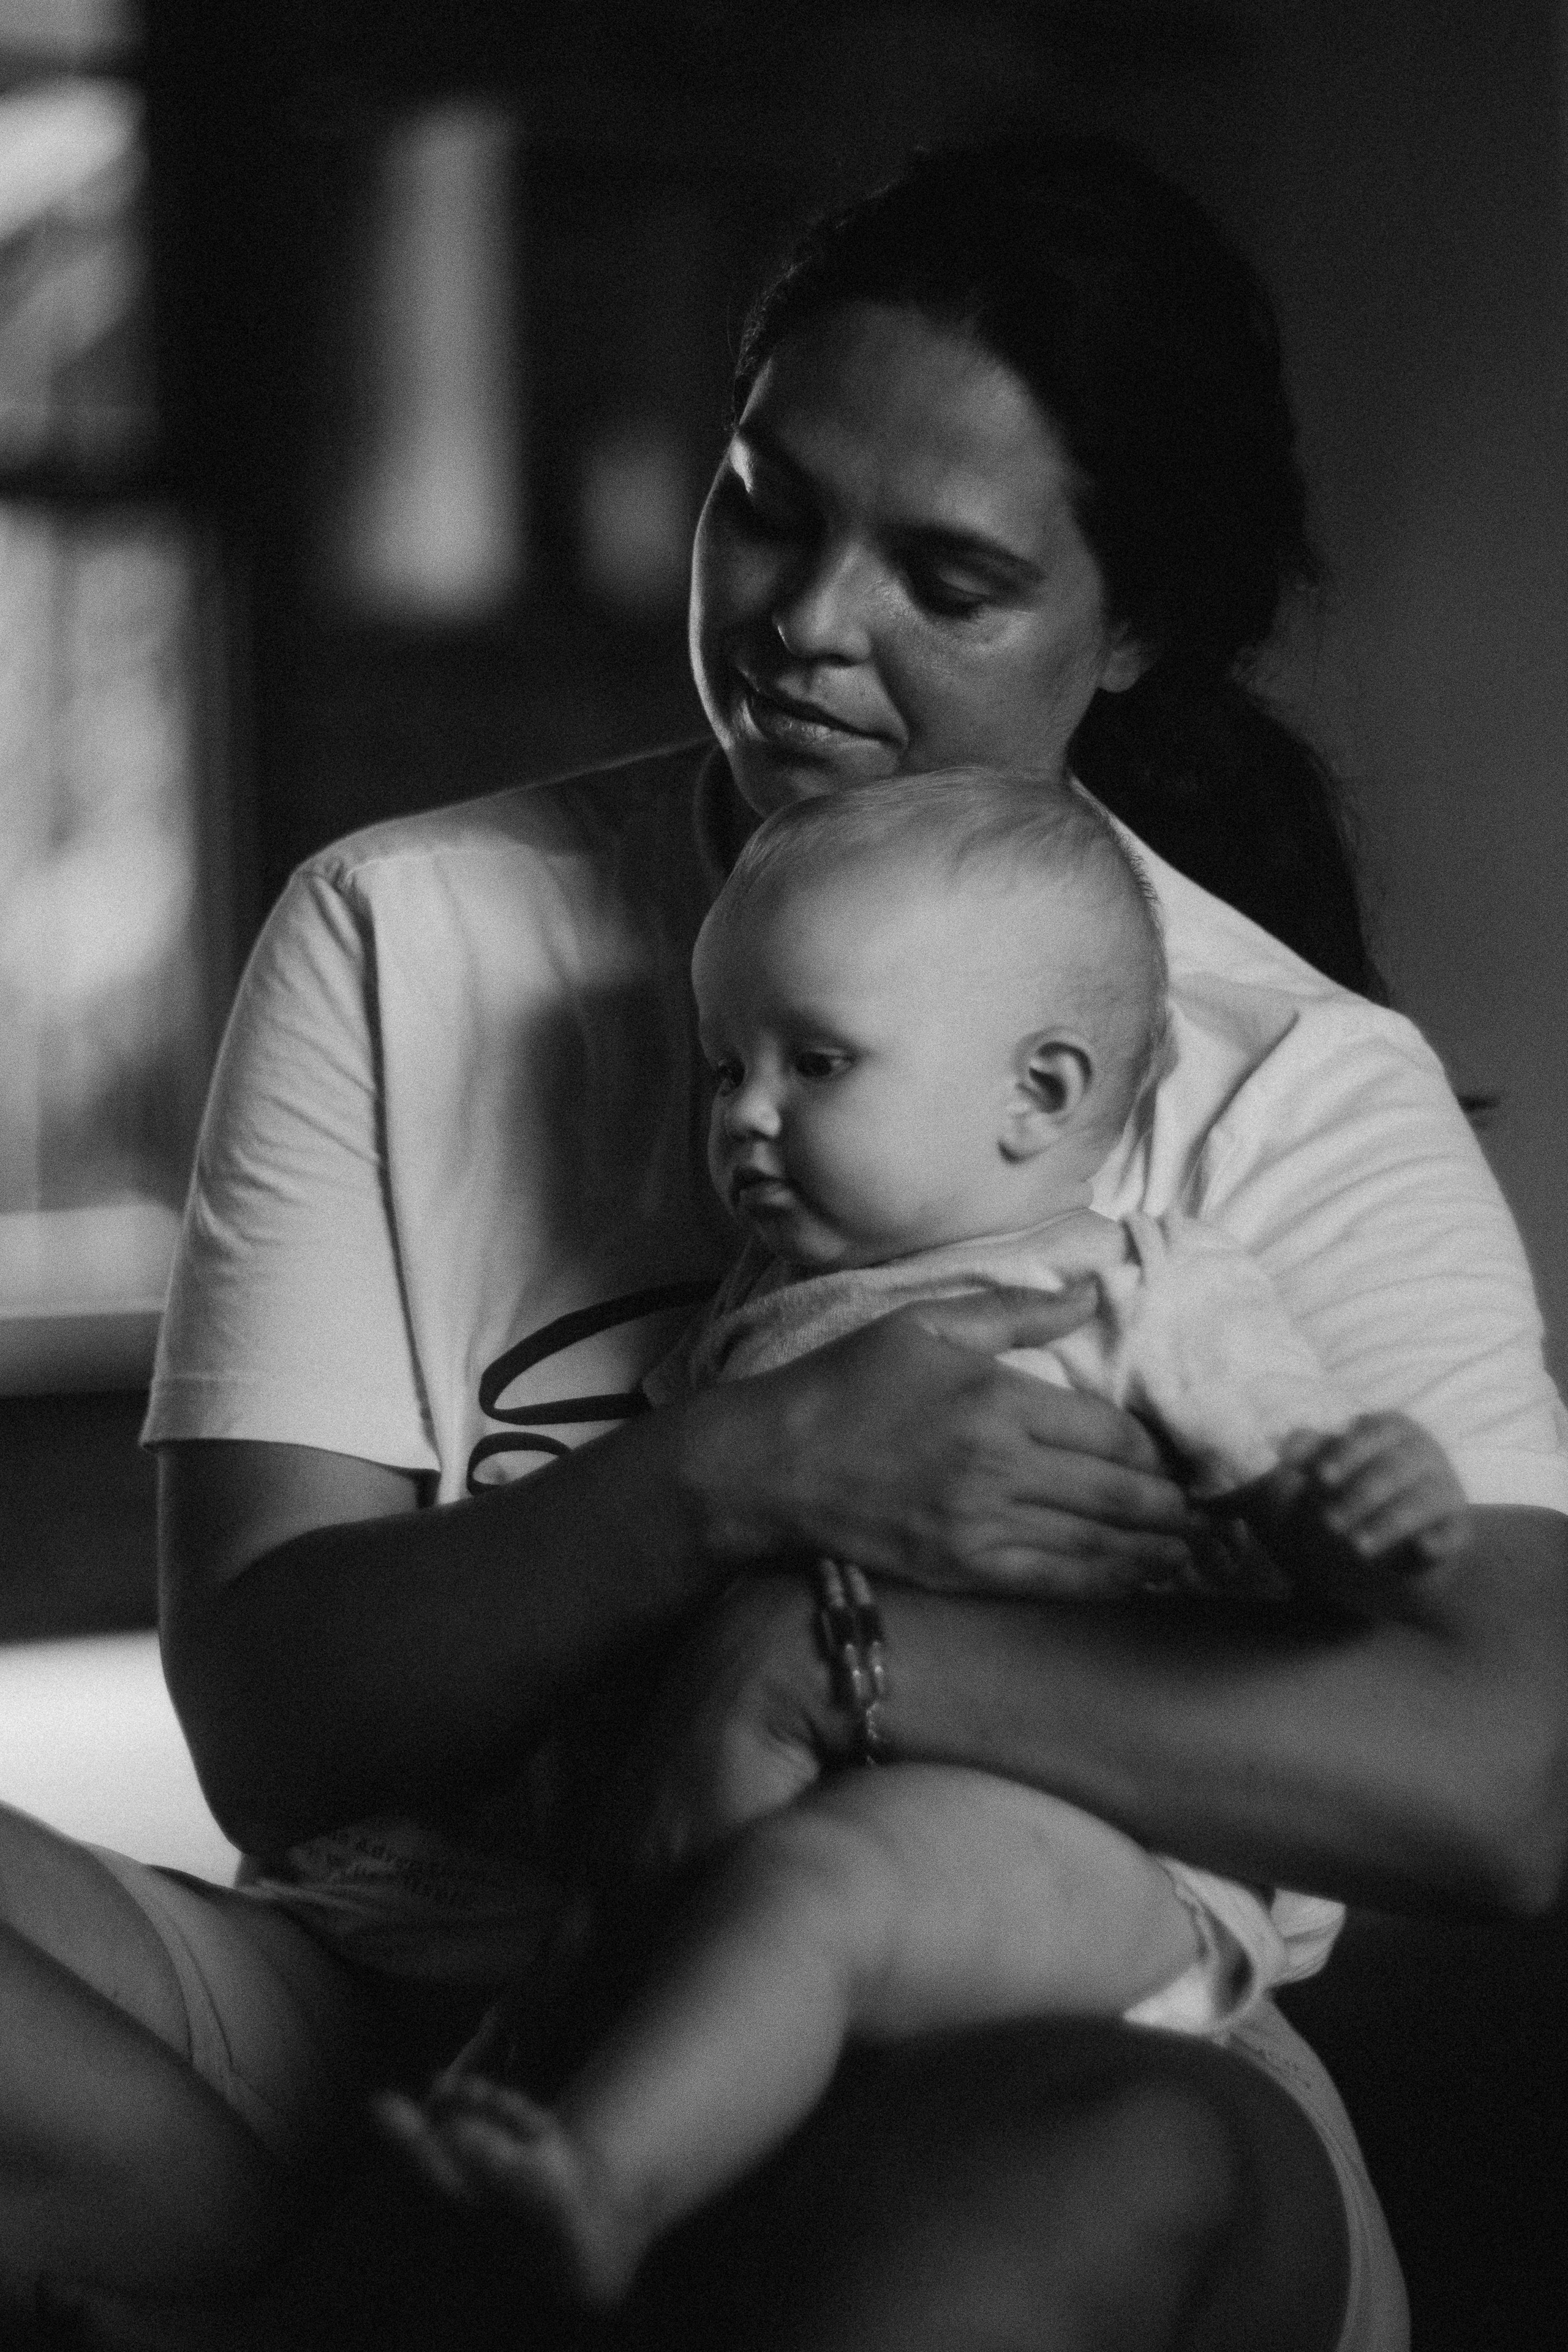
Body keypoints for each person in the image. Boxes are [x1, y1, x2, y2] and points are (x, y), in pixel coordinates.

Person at [0, 132, 1561, 2352]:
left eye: (951, 578)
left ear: (1142, 632)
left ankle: (362, 2281)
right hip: (408, 1988)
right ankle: (416, 2256)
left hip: (1008, 1995)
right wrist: (740, 1474)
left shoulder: (1282, 1079)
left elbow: (1508, 1776)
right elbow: (269, 1720)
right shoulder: (408, 930)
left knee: (1058, 2180)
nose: (811, 624)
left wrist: (839, 1662)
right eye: (769, 503)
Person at [377, 770, 1475, 2310]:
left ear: (1036, 1092)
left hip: (1089, 1850)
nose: (743, 1115)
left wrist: (1383, 1500)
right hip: (751, 1812)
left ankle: (602, 2195)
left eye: (813, 1061)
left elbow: (1299, 1502)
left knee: (818, 1892)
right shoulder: (749, 1333)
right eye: (721, 1068)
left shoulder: (1138, 1291)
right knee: (573, 1980)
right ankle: (448, 2223)